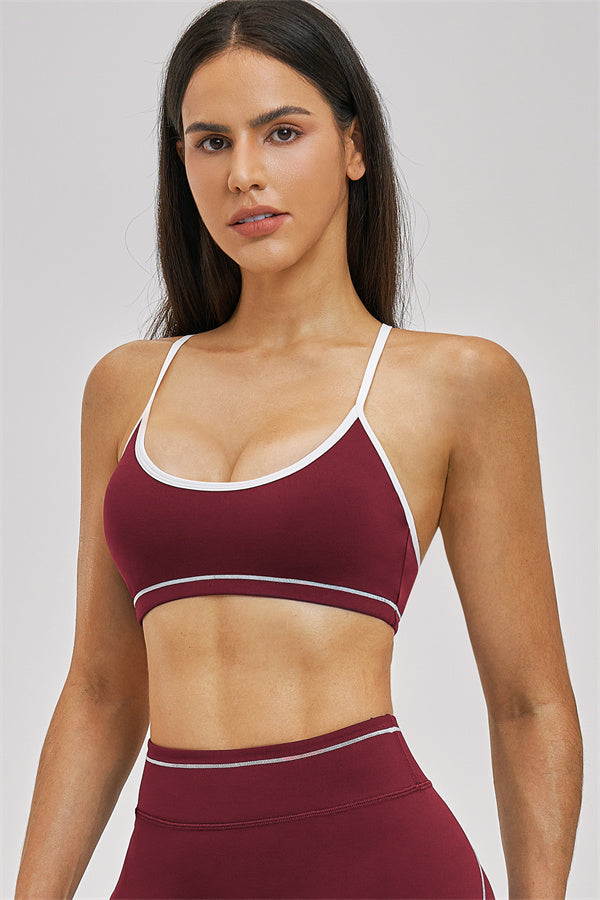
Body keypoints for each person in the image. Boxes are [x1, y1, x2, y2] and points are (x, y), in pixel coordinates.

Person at [15, 0, 583, 897]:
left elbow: (527, 702)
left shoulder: (457, 383)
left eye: (282, 132)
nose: (244, 174)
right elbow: (100, 692)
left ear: (354, 147)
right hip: (169, 875)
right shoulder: (127, 387)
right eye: (211, 142)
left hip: (384, 871)